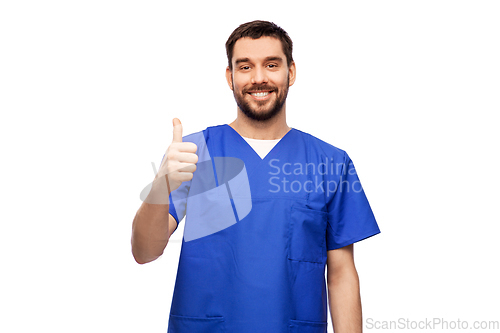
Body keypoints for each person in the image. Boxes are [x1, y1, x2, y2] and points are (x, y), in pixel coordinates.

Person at [131, 20, 380, 333]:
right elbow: (144, 252)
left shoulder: (330, 162)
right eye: (245, 66)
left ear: (291, 72)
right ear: (230, 77)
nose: (259, 78)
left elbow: (342, 273)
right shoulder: (194, 152)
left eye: (271, 65)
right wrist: (160, 186)